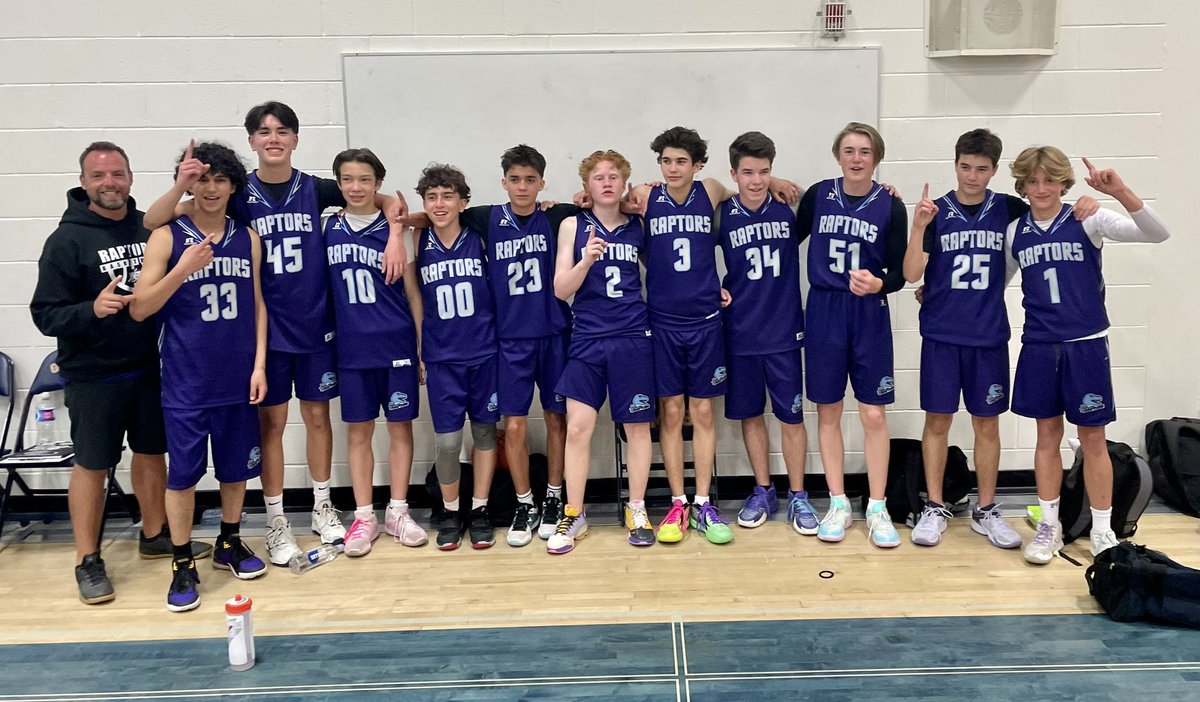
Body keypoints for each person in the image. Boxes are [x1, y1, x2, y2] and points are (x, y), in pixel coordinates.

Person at [144, 102, 407, 566]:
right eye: (263, 132)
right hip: (265, 330)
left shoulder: (316, 187)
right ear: (251, 142)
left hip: (315, 325)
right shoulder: (237, 190)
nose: (273, 139)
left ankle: (324, 504)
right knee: (271, 425)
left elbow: (380, 198)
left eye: (282, 131)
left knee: (319, 417)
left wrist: (392, 226)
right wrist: (182, 184)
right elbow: (153, 219)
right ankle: (276, 519)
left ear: (296, 139)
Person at [30, 141, 212, 606]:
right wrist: (91, 309)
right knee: (93, 465)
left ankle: (155, 534)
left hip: (150, 366)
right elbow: (46, 314)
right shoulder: (65, 241)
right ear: (84, 182)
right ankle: (87, 559)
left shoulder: (147, 224)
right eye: (99, 176)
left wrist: (185, 183)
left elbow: (209, 202)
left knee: (152, 454)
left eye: (118, 174)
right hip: (94, 373)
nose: (109, 183)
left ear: (130, 177)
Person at [902, 129, 1097, 549]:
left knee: (986, 423)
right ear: (955, 165)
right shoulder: (935, 211)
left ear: (994, 171)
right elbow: (911, 273)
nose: (972, 176)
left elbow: (1049, 211)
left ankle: (986, 508)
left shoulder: (1009, 209)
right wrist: (917, 227)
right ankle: (934, 505)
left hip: (988, 332)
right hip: (940, 331)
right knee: (937, 421)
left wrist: (1087, 203)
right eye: (965, 167)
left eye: (982, 169)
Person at [402, 145, 576, 547]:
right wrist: (401, 224)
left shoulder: (556, 216)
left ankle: (552, 498)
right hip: (508, 342)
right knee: (511, 426)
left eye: (530, 180)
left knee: (555, 420)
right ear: (503, 183)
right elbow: (435, 214)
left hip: (553, 334)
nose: (522, 186)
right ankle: (523, 502)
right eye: (515, 179)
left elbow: (599, 203)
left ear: (542, 183)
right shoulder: (487, 218)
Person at [1005, 147, 1169, 563]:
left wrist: (1120, 192)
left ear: (1064, 182)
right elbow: (993, 283)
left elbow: (1157, 233)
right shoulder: (1015, 232)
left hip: (1085, 344)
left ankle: (1102, 528)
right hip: (1040, 344)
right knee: (1046, 436)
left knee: (1093, 439)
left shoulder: (1088, 217)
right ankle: (1049, 525)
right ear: (1022, 185)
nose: (1042, 189)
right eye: (1033, 181)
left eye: (1050, 179)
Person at [130, 142, 269, 612]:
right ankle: (182, 557)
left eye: (220, 180)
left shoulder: (246, 237)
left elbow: (259, 306)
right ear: (190, 183)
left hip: (237, 375)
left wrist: (259, 365)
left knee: (235, 471)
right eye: (202, 179)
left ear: (233, 186)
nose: (211, 188)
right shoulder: (168, 236)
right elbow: (142, 307)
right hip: (188, 379)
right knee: (184, 477)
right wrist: (183, 270)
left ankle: (230, 540)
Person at [799, 122, 907, 548]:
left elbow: (901, 271)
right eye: (849, 150)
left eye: (864, 151)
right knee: (828, 411)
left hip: (868, 312)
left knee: (873, 414)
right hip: (824, 309)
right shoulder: (819, 195)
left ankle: (877, 506)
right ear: (837, 155)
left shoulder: (890, 205)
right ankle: (839, 502)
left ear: (876, 158)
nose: (856, 158)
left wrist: (881, 284)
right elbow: (784, 235)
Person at [549, 150, 656, 554]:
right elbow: (561, 289)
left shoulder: (637, 226)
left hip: (632, 336)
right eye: (599, 177)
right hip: (589, 337)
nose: (607, 183)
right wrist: (585, 260)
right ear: (587, 185)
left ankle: (637, 508)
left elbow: (661, 273)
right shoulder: (572, 225)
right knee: (578, 427)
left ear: (624, 183)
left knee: (637, 427)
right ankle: (574, 513)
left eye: (614, 177)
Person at [324, 148, 427, 556]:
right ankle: (364, 515)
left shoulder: (400, 231)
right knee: (359, 431)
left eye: (364, 179)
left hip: (396, 341)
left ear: (378, 183)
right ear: (338, 184)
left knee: (400, 428)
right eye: (347, 179)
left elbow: (414, 293)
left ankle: (398, 510)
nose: (355, 187)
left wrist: (421, 346)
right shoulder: (326, 225)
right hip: (351, 346)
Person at [714, 132, 813, 541]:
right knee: (751, 415)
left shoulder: (788, 208)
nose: (756, 180)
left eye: (764, 172)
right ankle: (762, 489)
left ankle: (799, 494)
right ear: (733, 173)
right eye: (748, 172)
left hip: (784, 331)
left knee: (792, 416)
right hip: (740, 331)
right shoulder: (722, 214)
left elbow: (825, 199)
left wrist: (779, 183)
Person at [414, 164, 501, 551]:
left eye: (447, 195)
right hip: (441, 358)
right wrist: (419, 351)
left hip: (483, 353)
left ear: (464, 202)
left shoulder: (480, 237)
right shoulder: (416, 240)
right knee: (447, 443)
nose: (439, 203)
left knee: (484, 434)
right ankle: (451, 512)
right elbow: (415, 301)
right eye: (431, 196)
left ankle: (480, 509)